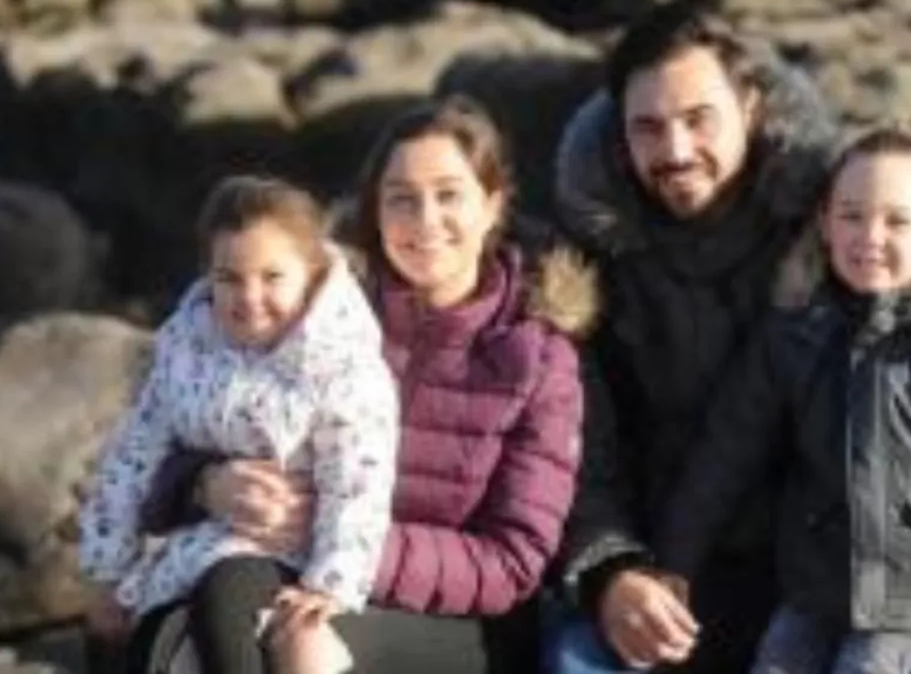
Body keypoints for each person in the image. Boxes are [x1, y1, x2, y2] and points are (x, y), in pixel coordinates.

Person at [545, 2, 911, 674]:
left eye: (699, 118)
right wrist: (613, 570)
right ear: (619, 135)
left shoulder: (835, 214)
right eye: (649, 127)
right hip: (677, 566)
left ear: (751, 107)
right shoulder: (583, 264)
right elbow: (576, 446)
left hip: (850, 571)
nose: (676, 150)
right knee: (575, 657)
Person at [123, 96, 594, 673]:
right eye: (401, 199)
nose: (425, 220)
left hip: (465, 619)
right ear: (375, 211)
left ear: (492, 205)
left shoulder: (538, 357)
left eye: (448, 195)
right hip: (291, 566)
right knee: (189, 639)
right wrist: (206, 485)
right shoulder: (318, 316)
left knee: (305, 649)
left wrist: (345, 544)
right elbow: (160, 443)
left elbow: (514, 560)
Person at [656, 127, 911, 674]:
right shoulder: (794, 330)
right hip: (814, 586)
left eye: (897, 221)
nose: (870, 236)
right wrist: (675, 559)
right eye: (852, 216)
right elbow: (727, 450)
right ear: (824, 224)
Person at [79, 175, 400, 674]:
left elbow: (359, 477)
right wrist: (108, 569)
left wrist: (332, 581)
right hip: (187, 553)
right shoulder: (186, 348)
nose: (249, 297)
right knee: (135, 638)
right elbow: (134, 455)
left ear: (312, 275)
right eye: (229, 278)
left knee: (226, 601)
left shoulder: (341, 364)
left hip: (289, 555)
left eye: (272, 277)